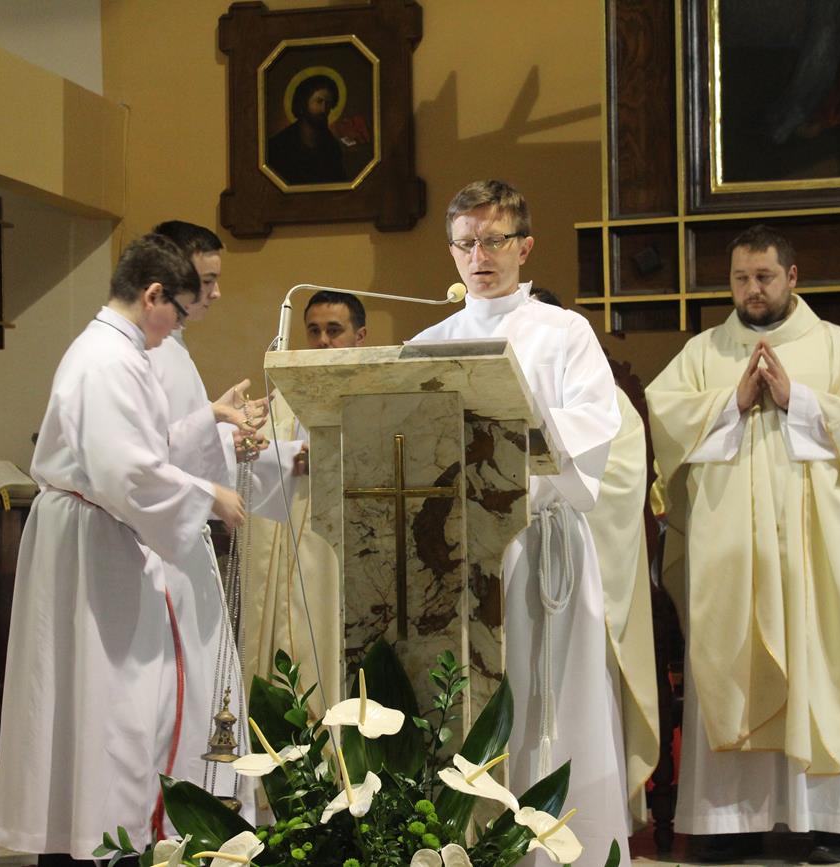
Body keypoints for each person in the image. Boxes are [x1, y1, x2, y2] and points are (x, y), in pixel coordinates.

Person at [645, 225, 840, 864]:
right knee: (728, 665)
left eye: (763, 277)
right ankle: (729, 822)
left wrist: (800, 402)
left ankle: (831, 823)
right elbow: (664, 416)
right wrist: (729, 402)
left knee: (823, 668)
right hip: (730, 558)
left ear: (793, 277)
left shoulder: (838, 348)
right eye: (740, 279)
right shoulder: (705, 353)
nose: (751, 290)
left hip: (817, 556)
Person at [0, 234, 248, 865]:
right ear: (153, 295)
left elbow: (138, 445)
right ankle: (100, 840)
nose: (178, 326)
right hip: (92, 541)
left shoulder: (115, 350)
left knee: (109, 701)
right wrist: (210, 495)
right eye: (178, 311)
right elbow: (124, 470)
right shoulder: (109, 358)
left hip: (96, 532)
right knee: (111, 703)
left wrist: (206, 421)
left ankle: (98, 833)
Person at [409, 180, 628, 865]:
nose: (480, 256)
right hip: (454, 551)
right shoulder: (428, 342)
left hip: (538, 540)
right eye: (466, 243)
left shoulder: (563, 332)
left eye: (494, 240)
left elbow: (596, 418)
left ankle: (557, 852)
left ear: (524, 247)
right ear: (452, 251)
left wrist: (498, 438)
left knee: (547, 696)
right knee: (463, 700)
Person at [148, 220, 294, 822]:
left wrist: (225, 432)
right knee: (183, 691)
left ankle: (201, 817)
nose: (215, 293)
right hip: (158, 549)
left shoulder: (172, 351)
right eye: (205, 280)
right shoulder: (149, 353)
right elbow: (145, 456)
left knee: (205, 686)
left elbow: (176, 446)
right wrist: (215, 427)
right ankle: (182, 821)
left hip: (181, 542)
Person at [529, 287, 659, 826]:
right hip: (506, 568)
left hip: (572, 567)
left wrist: (545, 493)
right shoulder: (495, 387)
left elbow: (622, 482)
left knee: (577, 699)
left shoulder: (605, 396)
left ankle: (587, 821)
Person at [243, 290, 367, 716]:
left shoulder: (371, 393)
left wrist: (329, 458)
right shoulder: (285, 394)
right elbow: (260, 455)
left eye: (334, 330)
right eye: (313, 331)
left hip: (336, 551)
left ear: (359, 337)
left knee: (326, 651)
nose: (322, 341)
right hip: (284, 547)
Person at [265, 75, 345, 185]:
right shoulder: (278, 145)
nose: (324, 109)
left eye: (328, 103)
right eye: (319, 101)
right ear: (303, 103)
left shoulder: (332, 147)